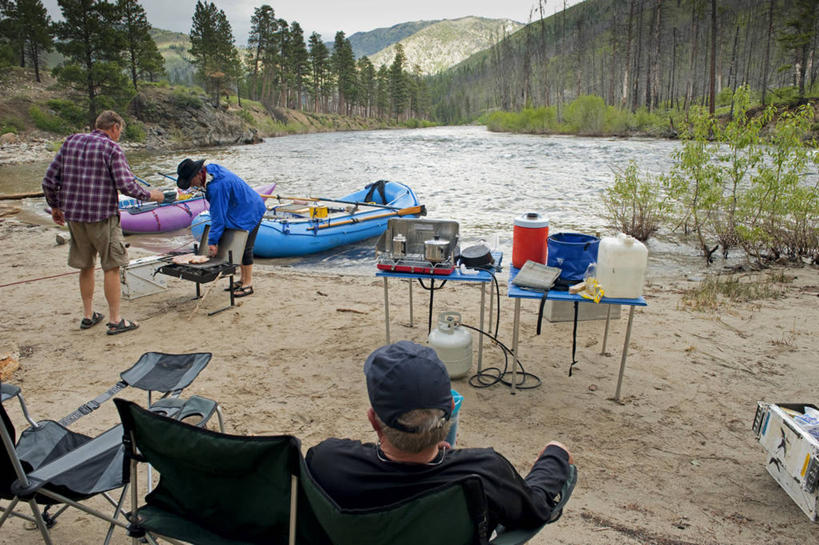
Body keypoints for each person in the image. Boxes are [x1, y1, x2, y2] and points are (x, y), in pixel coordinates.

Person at [306, 341, 575, 536]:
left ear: (374, 421)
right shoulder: (483, 473)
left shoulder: (327, 462)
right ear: (451, 413)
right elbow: (536, 509)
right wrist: (555, 456)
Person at [42, 110, 165, 335]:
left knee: (85, 266)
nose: (119, 135)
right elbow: (127, 186)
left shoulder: (71, 142)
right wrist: (153, 195)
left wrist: (55, 206)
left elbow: (49, 179)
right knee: (111, 267)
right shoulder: (112, 148)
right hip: (103, 218)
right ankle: (115, 320)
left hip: (75, 218)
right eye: (120, 131)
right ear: (115, 128)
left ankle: (88, 316)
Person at [175, 159, 266, 298]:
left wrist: (212, 241)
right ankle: (241, 280)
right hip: (238, 207)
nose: (191, 186)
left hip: (250, 209)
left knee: (245, 247)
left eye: (190, 181)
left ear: (198, 174)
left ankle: (248, 284)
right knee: (238, 246)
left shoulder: (217, 186)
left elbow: (218, 216)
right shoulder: (211, 170)